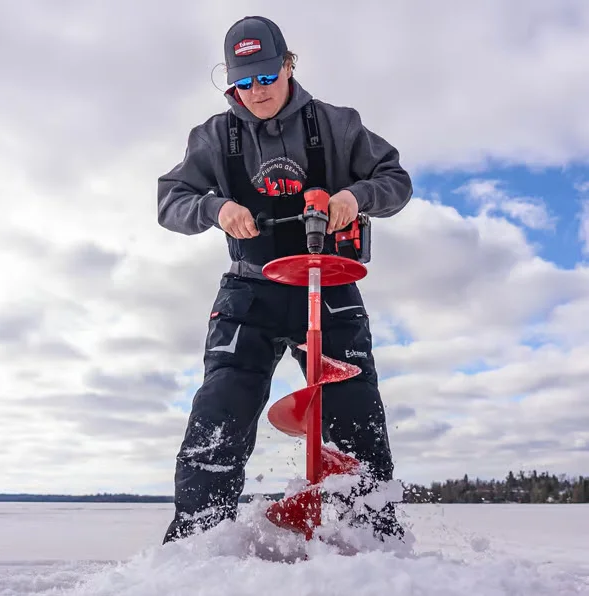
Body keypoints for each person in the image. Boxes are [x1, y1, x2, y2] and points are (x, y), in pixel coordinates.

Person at [157, 15, 412, 545]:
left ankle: (370, 540)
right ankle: (197, 546)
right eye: (242, 82)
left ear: (289, 65)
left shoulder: (338, 125)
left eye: (267, 77)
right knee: (220, 409)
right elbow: (169, 201)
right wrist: (215, 207)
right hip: (249, 290)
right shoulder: (212, 136)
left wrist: (352, 199)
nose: (256, 91)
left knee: (352, 412)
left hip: (329, 284)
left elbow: (395, 180)